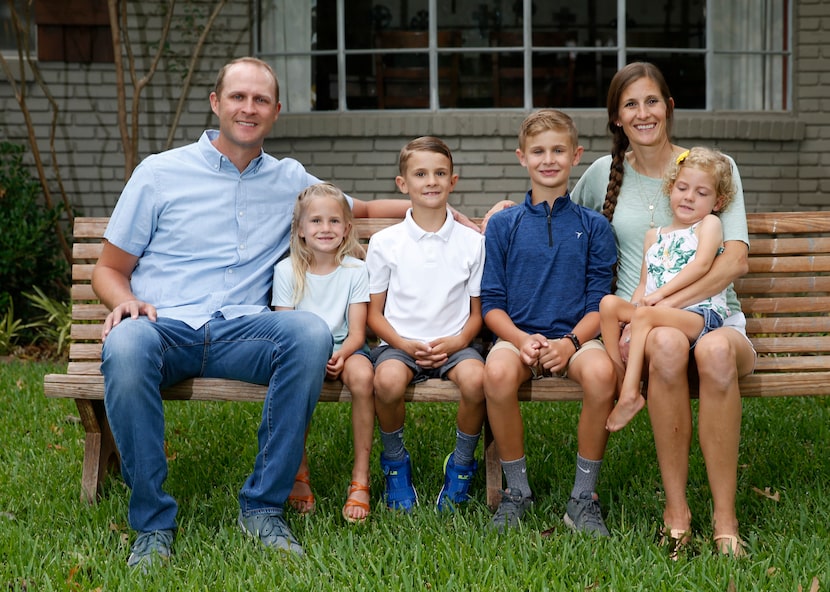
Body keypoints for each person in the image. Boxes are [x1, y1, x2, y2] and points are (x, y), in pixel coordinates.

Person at [93, 57, 422, 570]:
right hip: (165, 327)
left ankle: (265, 507)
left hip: (243, 330)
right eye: (238, 97)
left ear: (275, 112)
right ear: (216, 103)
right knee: (125, 344)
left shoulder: (291, 179)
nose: (249, 108)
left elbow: (358, 208)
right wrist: (124, 301)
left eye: (261, 100)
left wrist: (447, 213)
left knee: (310, 333)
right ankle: (153, 524)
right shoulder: (159, 173)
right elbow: (107, 270)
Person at [570, 62, 756, 557]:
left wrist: (661, 303)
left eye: (652, 101)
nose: (643, 112)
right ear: (616, 117)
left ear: (669, 107)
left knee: (714, 353)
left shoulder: (711, 168)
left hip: (714, 316)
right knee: (669, 346)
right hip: (651, 329)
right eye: (631, 104)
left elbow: (735, 259)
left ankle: (725, 519)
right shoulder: (600, 175)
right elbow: (559, 218)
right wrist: (505, 209)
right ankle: (677, 515)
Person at [480, 109, 617, 534]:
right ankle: (517, 492)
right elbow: (491, 303)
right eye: (538, 151)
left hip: (576, 337)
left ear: (576, 155)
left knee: (601, 374)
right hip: (518, 334)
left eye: (559, 150)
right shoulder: (504, 224)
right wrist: (521, 340)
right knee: (498, 373)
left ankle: (582, 499)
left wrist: (570, 344)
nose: (549, 159)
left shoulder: (595, 227)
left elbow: (600, 303)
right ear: (522, 157)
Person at [366, 136, 487, 513]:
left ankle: (462, 465)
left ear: (453, 181)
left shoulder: (472, 242)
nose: (431, 181)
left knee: (477, 381)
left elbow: (477, 313)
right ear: (403, 184)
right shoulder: (386, 242)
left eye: (439, 173)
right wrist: (402, 343)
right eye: (420, 174)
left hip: (457, 343)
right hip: (398, 343)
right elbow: (374, 315)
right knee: (385, 382)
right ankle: (395, 463)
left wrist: (456, 343)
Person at [601, 147, 736, 432]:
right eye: (683, 188)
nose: (689, 197)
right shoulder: (655, 236)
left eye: (702, 193)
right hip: (657, 313)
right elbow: (643, 285)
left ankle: (631, 393)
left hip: (699, 314)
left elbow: (701, 266)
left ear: (717, 201)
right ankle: (619, 375)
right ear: (670, 188)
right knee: (609, 305)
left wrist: (659, 299)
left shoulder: (708, 225)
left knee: (646, 316)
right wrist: (635, 311)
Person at [272, 182, 375, 524]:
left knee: (363, 378)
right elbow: (285, 329)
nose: (325, 228)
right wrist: (315, 356)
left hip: (347, 348)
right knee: (297, 381)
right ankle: (298, 470)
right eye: (315, 221)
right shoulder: (287, 271)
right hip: (302, 352)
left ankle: (361, 476)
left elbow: (358, 332)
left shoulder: (355, 270)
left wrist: (343, 354)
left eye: (334, 221)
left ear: (347, 228)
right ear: (300, 230)